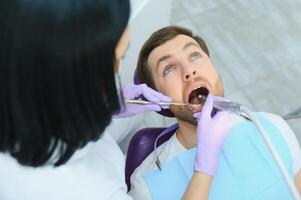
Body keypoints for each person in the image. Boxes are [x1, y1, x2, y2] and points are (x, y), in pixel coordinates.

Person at [0, 1, 229, 200]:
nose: (189, 71)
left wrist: (111, 109)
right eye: (118, 61)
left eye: (195, 55)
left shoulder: (264, 124)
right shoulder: (90, 192)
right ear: (76, 81)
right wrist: (205, 169)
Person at [129, 26, 301, 199]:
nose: (189, 71)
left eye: (195, 56)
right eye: (169, 69)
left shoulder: (272, 128)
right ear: (158, 97)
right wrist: (205, 162)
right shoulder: (146, 184)